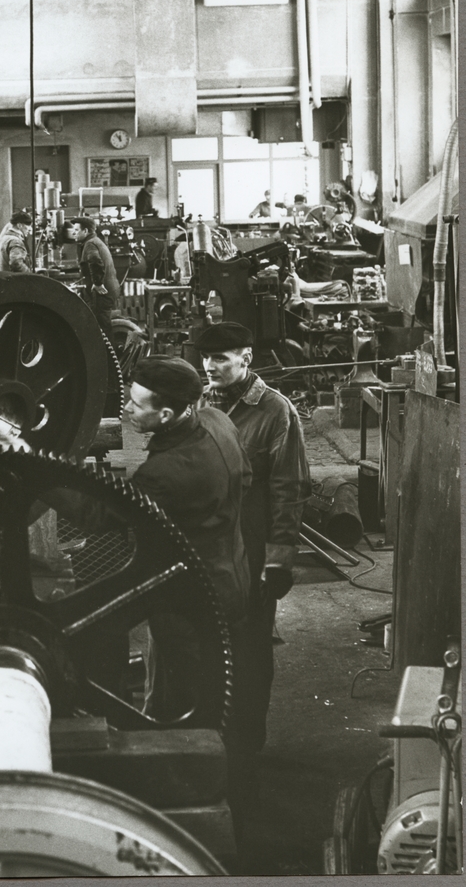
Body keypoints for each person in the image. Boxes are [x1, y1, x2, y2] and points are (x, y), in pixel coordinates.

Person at [191, 322, 311, 754]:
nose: (209, 366)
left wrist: (278, 558)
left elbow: (289, 488)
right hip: (206, 546)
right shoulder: (199, 403)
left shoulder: (275, 412)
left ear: (246, 358)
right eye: (205, 358)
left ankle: (247, 744)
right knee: (205, 643)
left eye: (220, 358)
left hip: (251, 548)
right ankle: (210, 738)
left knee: (250, 649)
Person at [123, 356, 251, 724]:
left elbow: (98, 515)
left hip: (190, 602)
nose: (127, 408)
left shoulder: (163, 473)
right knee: (217, 684)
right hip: (233, 579)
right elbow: (246, 476)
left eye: (136, 404)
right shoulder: (218, 421)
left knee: (186, 702)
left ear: (165, 415)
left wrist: (28, 457)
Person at [74, 215, 120, 340]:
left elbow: (95, 261)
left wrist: (98, 283)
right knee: (102, 326)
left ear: (85, 231)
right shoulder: (96, 241)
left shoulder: (90, 244)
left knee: (101, 329)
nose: (73, 233)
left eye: (76, 230)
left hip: (101, 294)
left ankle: (109, 353)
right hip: (108, 291)